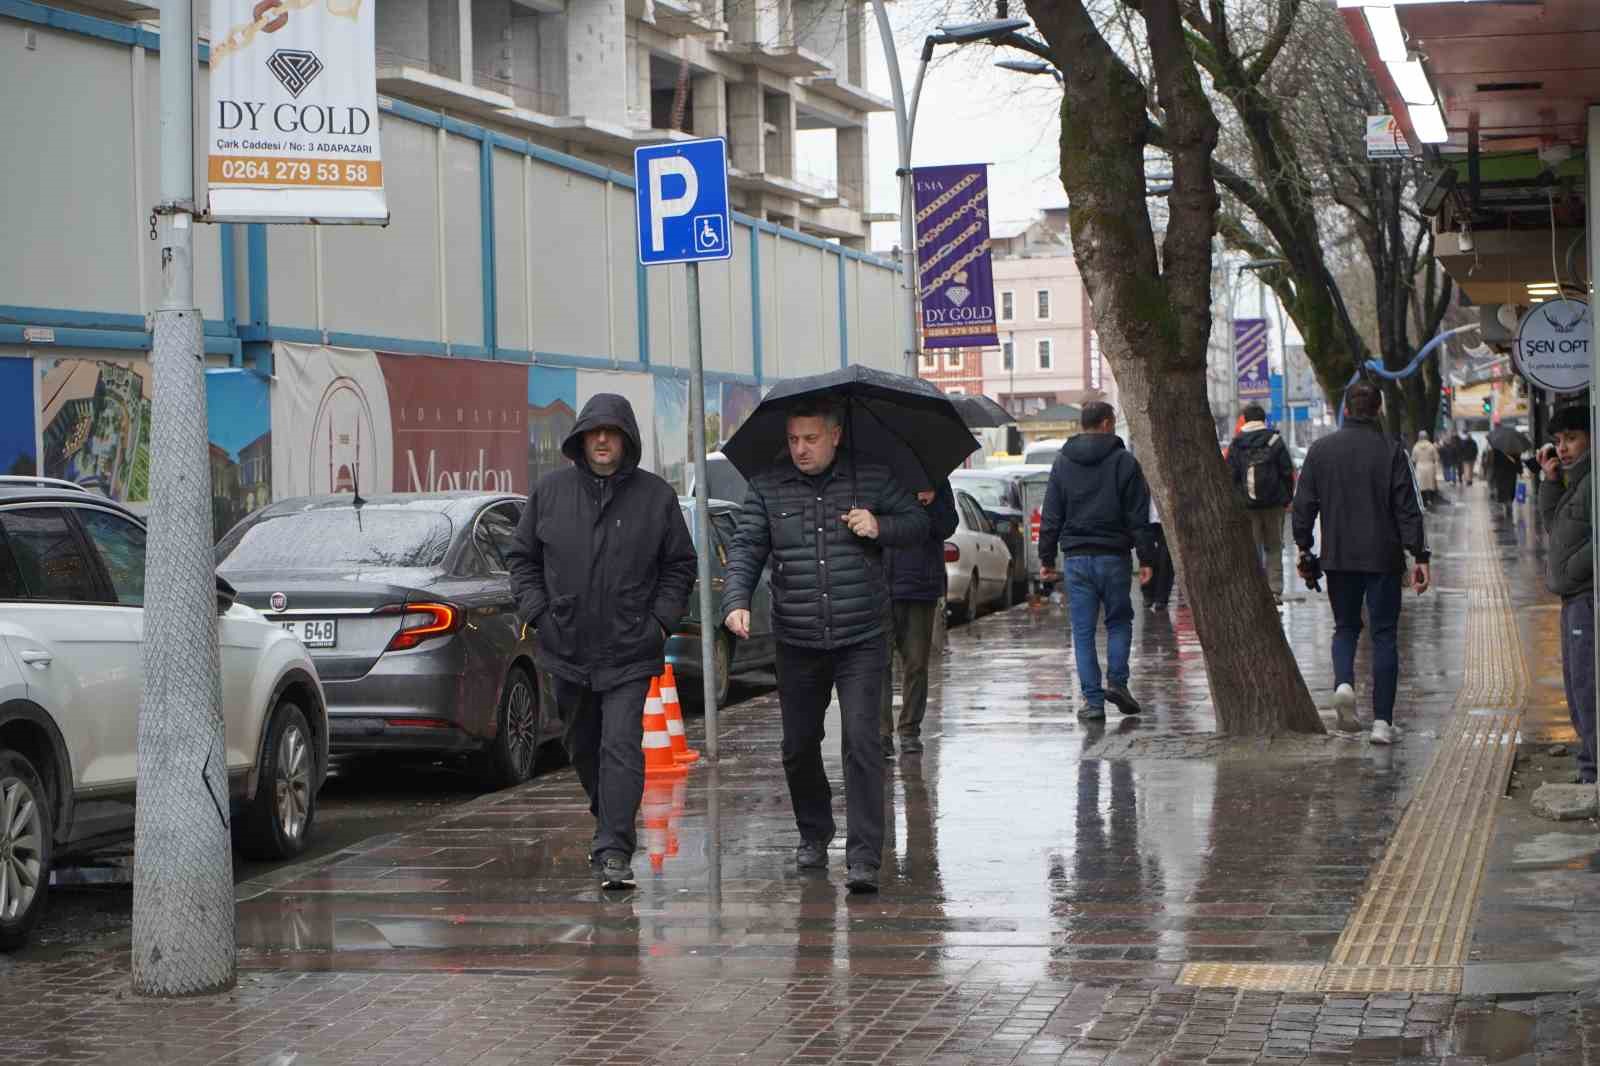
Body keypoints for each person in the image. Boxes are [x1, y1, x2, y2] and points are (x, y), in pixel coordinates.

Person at [722, 399, 929, 894]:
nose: (800, 449)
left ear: (835, 435)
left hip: (861, 637)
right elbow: (748, 546)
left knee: (862, 743)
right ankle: (814, 833)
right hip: (797, 639)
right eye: (793, 440)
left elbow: (923, 525)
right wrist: (736, 600)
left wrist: (880, 526)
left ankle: (863, 856)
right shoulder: (767, 487)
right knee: (797, 746)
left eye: (810, 439)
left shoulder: (871, 479)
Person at [506, 394, 697, 890]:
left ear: (627, 438)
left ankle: (614, 848)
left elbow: (680, 565)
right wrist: (539, 615)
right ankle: (610, 815)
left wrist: (658, 623)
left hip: (632, 647)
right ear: (582, 439)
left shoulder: (656, 497)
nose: (604, 440)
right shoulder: (549, 494)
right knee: (583, 744)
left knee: (620, 746)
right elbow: (522, 559)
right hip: (566, 647)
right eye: (595, 432)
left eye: (613, 432)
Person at [1292, 381, 1430, 745]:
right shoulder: (1392, 451)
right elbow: (1409, 507)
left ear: (1346, 409)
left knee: (1345, 628)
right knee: (1384, 634)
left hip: (1338, 557)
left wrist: (1304, 548)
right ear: (1379, 408)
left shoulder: (1321, 451)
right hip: (1384, 558)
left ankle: (1343, 684)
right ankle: (1383, 722)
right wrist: (1420, 555)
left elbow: (1303, 504)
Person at [1037, 402, 1157, 720]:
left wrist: (1046, 558)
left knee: (1083, 630)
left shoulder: (1062, 464)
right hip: (1114, 556)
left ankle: (1092, 702)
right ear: (1106, 424)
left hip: (1076, 558)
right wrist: (1146, 557)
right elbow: (1137, 516)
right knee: (1118, 621)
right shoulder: (1125, 463)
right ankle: (1117, 683)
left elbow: (1051, 515)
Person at [880, 480, 959, 760]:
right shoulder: (877, 473)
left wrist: (933, 499)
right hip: (881, 582)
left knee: (916, 663)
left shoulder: (934, 477)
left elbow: (948, 525)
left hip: (919, 583)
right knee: (879, 664)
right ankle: (882, 734)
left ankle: (910, 730)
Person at [1538, 407, 1594, 784]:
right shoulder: (1577, 479)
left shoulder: (1594, 480)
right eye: (1559, 441)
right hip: (1574, 597)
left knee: (1588, 684)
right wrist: (1550, 481)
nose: (1565, 448)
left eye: (1572, 438)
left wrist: (1571, 572)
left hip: (1587, 596)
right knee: (1577, 683)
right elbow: (1555, 527)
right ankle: (1589, 758)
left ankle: (1593, 769)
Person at [1228, 404, 1296, 602]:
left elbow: (1231, 475)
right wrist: (1287, 498)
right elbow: (1286, 471)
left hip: (1247, 507)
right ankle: (1275, 590)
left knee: (1251, 548)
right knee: (1274, 546)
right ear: (1263, 419)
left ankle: (1255, 593)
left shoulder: (1237, 443)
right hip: (1274, 505)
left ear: (1245, 419)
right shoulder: (1275, 440)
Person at [1142, 497, 1176, 611]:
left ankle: (1160, 597)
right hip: (1149, 517)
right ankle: (1149, 593)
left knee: (1166, 557)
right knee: (1149, 554)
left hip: (1164, 517)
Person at [1412, 431, 1441, 510]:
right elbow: (1436, 457)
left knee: (1421, 486)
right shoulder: (1431, 446)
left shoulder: (1415, 447)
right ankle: (1430, 500)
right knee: (1430, 485)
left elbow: (1413, 459)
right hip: (1430, 466)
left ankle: (1423, 502)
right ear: (1427, 437)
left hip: (1420, 467)